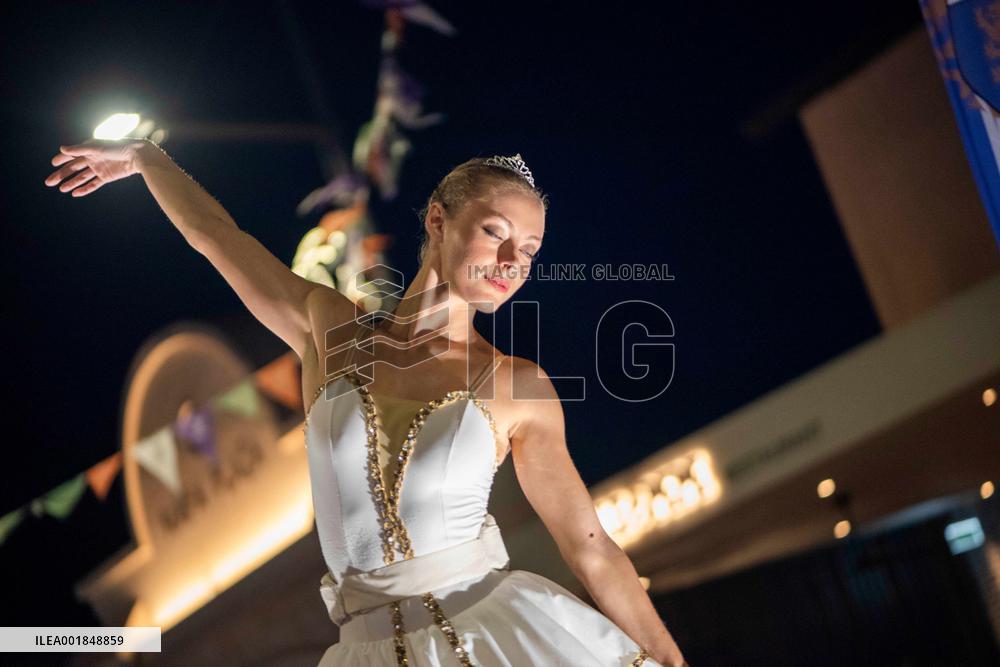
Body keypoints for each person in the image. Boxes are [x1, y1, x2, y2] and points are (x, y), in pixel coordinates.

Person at [45, 139, 689, 667]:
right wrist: (145, 158)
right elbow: (216, 235)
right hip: (363, 650)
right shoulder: (329, 331)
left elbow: (592, 548)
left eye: (529, 250)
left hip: (490, 636)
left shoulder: (517, 384)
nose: (511, 261)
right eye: (496, 233)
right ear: (439, 218)